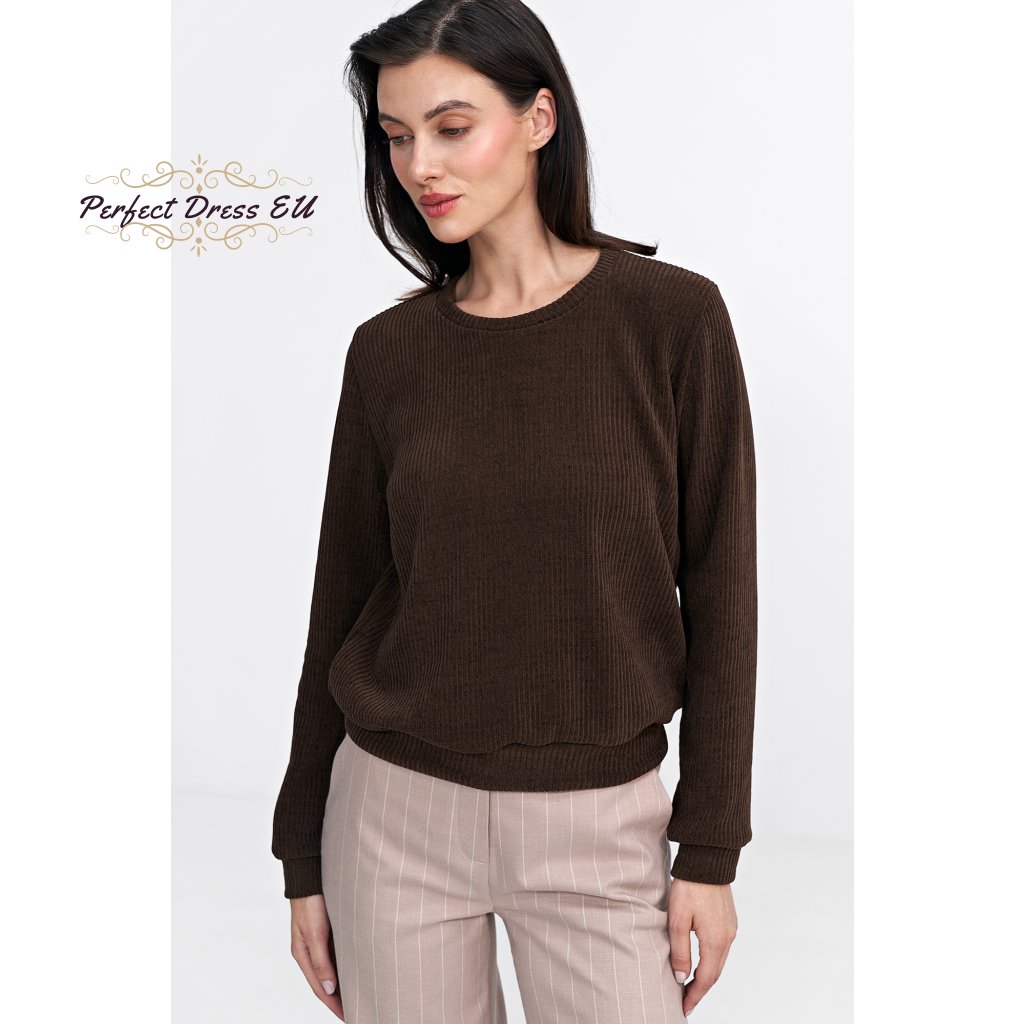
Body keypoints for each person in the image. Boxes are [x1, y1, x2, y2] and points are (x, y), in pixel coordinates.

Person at [271, 1, 758, 1020]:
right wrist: (302, 851)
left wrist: (709, 848)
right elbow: (342, 598)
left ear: (539, 119)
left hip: (599, 827)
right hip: (391, 818)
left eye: (452, 127)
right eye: (396, 136)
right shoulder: (389, 354)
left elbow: (723, 591)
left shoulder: (671, 321)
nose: (420, 166)